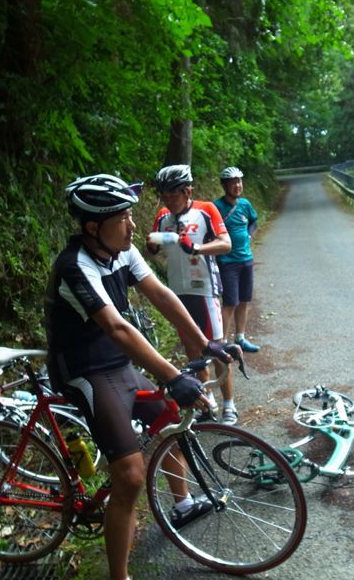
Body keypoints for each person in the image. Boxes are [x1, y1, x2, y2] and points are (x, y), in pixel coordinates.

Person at [43, 173, 238, 580]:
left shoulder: (121, 250)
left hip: (117, 363)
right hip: (84, 372)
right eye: (124, 219)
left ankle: (182, 504)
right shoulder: (74, 267)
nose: (135, 225)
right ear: (94, 227)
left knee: (170, 419)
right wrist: (171, 375)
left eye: (132, 216)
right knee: (130, 477)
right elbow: (117, 328)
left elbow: (161, 294)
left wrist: (204, 344)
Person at [146, 164, 239, 425]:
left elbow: (225, 243)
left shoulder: (205, 210)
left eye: (172, 195)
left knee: (217, 348)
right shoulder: (163, 215)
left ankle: (229, 405)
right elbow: (152, 249)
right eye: (163, 195)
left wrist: (196, 248)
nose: (167, 200)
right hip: (177, 292)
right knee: (193, 352)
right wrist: (151, 246)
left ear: (188, 191)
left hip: (205, 291)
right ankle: (206, 403)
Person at [213, 166, 260, 353]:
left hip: (246, 259)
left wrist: (249, 235)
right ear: (224, 185)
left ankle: (240, 337)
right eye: (233, 183)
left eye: (239, 182)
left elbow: (253, 221)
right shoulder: (216, 207)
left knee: (244, 300)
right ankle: (222, 342)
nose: (237, 185)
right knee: (230, 302)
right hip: (227, 262)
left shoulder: (245, 204)